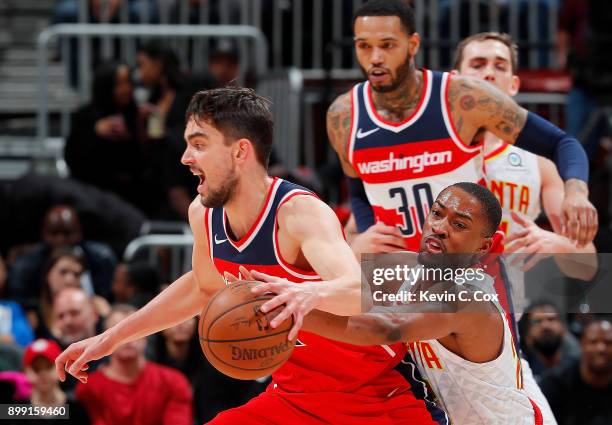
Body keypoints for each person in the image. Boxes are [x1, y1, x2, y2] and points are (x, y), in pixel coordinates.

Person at [56, 86, 442, 424]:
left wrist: (304, 295)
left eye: (200, 144)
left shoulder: (297, 213)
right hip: (293, 400)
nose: (186, 157)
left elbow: (359, 290)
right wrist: (110, 339)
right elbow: (203, 290)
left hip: (374, 396)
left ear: (241, 151)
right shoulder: (203, 214)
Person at [328, 0, 596, 259]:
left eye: (387, 45)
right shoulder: (344, 116)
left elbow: (561, 143)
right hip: (398, 275)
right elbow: (360, 192)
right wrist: (362, 237)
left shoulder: (461, 100)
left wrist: (576, 192)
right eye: (364, 46)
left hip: (471, 276)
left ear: (413, 45)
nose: (375, 57)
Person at [296, 182, 545, 424]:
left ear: (483, 246)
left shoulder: (469, 300)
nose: (440, 227)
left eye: (459, 224)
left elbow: (385, 328)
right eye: (437, 213)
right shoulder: (401, 268)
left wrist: (290, 314)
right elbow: (332, 279)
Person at [452, 31, 598, 282]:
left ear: (514, 85)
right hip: (432, 306)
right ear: (455, 81)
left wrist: (557, 243)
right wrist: (360, 241)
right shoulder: (428, 150)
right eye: (477, 65)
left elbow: (587, 266)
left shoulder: (539, 161)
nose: (489, 73)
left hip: (503, 312)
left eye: (500, 66)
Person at [76, 305, 192, 425]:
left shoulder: (173, 382)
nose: (127, 339)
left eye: (134, 331)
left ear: (147, 335)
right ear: (103, 341)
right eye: (117, 332)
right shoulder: (88, 388)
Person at [64, 62, 145, 209]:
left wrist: (140, 130)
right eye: (119, 84)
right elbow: (72, 157)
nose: (126, 89)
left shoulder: (136, 115)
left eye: (128, 82)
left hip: (131, 197)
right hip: (93, 195)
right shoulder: (86, 116)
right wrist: (95, 133)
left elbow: (143, 163)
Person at [7, 205, 116, 306]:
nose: (61, 240)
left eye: (77, 274)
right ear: (47, 276)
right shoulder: (27, 266)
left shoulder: (100, 258)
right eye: (63, 272)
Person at [539, 319, 612, 425]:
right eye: (593, 342)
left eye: (608, 343)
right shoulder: (555, 383)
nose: (601, 348)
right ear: (582, 344)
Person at [19, 339, 90, 425]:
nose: (43, 373)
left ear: (62, 366)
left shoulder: (77, 410)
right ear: (26, 371)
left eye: (48, 366)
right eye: (36, 368)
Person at [519, 300, 581, 380]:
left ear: (563, 328)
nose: (546, 326)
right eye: (537, 321)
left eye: (551, 319)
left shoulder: (579, 369)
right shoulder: (522, 373)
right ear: (527, 334)